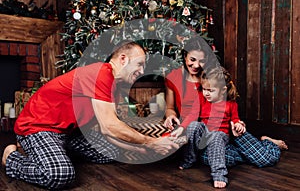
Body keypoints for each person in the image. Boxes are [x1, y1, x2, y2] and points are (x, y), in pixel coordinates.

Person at [1, 41, 179, 189]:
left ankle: (56, 152)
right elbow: (110, 126)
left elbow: (106, 129)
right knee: (60, 175)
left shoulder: (114, 87)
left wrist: (139, 148)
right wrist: (152, 142)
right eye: (139, 64)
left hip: (67, 132)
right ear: (123, 59)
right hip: (37, 128)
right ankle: (11, 159)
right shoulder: (101, 73)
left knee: (110, 153)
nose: (141, 71)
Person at [163, 36, 288, 170]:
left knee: (259, 158)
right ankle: (258, 147)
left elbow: (228, 107)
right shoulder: (174, 78)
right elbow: (172, 108)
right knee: (215, 157)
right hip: (199, 134)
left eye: (202, 61)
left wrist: (237, 123)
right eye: (192, 60)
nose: (196, 65)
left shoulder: (210, 76)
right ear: (184, 55)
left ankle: (266, 145)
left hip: (225, 131)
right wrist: (171, 117)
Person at [171, 66, 246, 188]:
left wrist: (238, 123)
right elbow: (193, 115)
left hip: (220, 135)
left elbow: (235, 119)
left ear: (223, 90)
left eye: (210, 91)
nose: (206, 93)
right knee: (194, 125)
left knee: (216, 136)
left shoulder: (231, 103)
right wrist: (181, 128)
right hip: (205, 133)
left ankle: (219, 174)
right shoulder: (201, 97)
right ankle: (190, 159)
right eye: (204, 89)